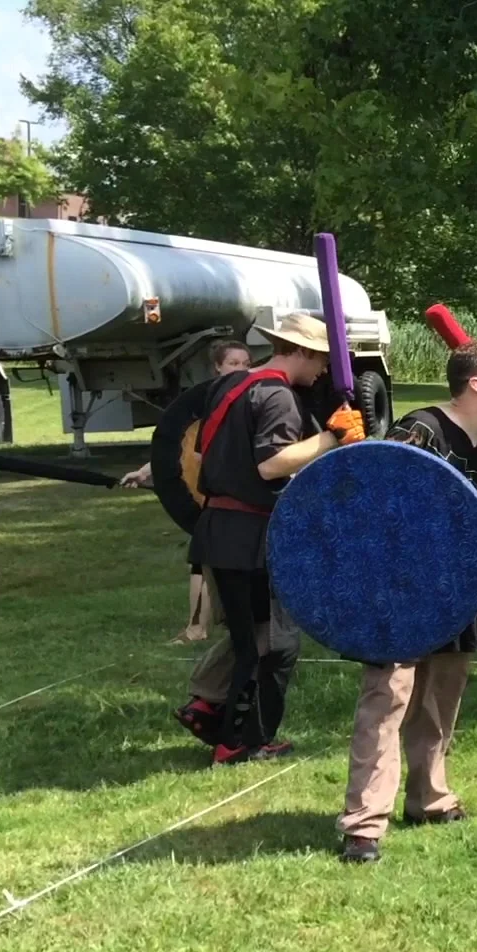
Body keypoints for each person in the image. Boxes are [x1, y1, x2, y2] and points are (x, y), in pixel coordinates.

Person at [336, 339, 477, 863]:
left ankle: (429, 799)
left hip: (457, 587)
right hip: (402, 586)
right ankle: (364, 825)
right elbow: (377, 498)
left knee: (440, 700)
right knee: (387, 700)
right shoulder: (421, 429)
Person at [191, 312, 364, 765]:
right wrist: (332, 437)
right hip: (250, 536)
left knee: (258, 640)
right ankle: (238, 742)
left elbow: (200, 452)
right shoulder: (277, 396)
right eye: (322, 359)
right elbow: (271, 464)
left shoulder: (229, 386)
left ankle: (212, 712)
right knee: (271, 646)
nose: (324, 369)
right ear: (302, 352)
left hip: (217, 530)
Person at [120, 339, 255, 742]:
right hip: (222, 523)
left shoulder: (253, 400)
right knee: (255, 634)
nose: (241, 368)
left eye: (246, 362)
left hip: (239, 524)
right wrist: (152, 471)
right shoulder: (213, 403)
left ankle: (213, 698)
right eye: (234, 362)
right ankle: (208, 697)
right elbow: (185, 443)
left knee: (253, 630)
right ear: (217, 367)